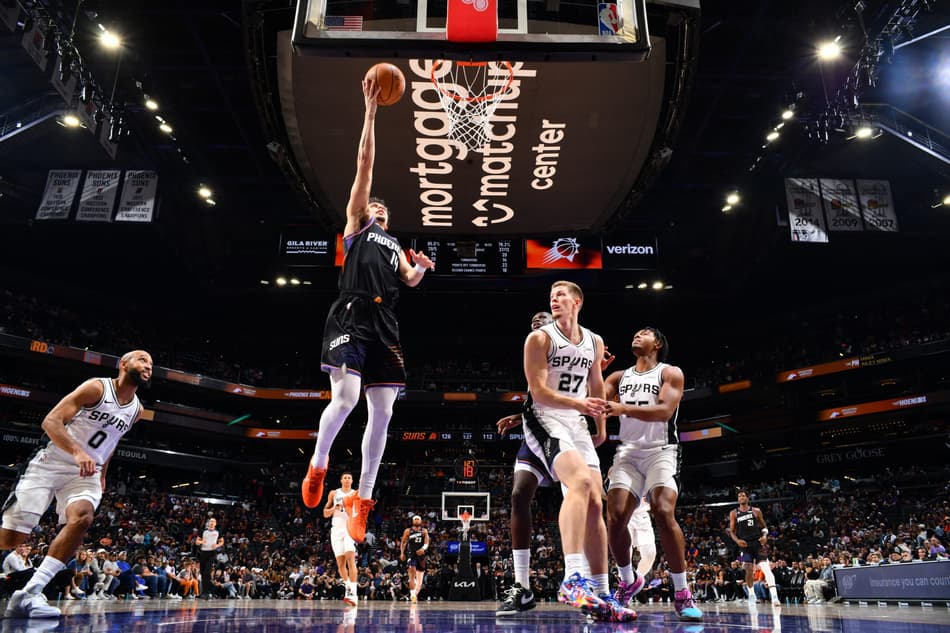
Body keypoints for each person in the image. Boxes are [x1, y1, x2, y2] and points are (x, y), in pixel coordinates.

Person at [301, 75, 435, 545]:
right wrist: (372, 111)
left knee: (383, 411)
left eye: (382, 207)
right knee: (347, 399)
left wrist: (419, 270)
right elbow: (365, 164)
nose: (376, 205)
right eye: (372, 203)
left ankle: (364, 498)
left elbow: (409, 279)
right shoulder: (358, 227)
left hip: (386, 322)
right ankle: (318, 466)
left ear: (389, 219)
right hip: (350, 315)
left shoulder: (394, 243)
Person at [1, 350, 151, 618]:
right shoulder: (97, 387)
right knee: (12, 539)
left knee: (83, 519)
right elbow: (51, 421)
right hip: (52, 461)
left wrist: (103, 472)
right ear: (123, 364)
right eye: (142, 359)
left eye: (151, 363)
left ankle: (28, 594)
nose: (148, 365)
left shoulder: (137, 410)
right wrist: (77, 452)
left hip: (87, 472)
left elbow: (112, 441)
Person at [521, 281, 634, 622]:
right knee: (581, 484)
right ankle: (572, 578)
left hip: (578, 420)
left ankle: (601, 593)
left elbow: (596, 383)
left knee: (596, 503)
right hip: (545, 417)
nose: (554, 299)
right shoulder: (539, 338)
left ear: (578, 301)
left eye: (561, 295)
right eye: (551, 296)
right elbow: (539, 392)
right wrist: (580, 405)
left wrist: (600, 426)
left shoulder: (594, 341)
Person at [603, 328, 702, 621]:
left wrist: (622, 407)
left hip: (662, 450)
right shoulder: (618, 377)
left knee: (662, 509)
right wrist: (597, 371)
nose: (635, 336)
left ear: (657, 343)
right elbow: (593, 403)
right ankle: (626, 580)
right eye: (633, 333)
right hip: (628, 452)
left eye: (643, 333)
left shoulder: (670, 372)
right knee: (616, 515)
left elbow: (663, 411)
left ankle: (682, 593)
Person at [727, 489, 781, 607]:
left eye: (743, 496)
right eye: (739, 496)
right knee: (748, 570)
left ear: (747, 498)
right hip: (744, 546)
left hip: (758, 543)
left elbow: (764, 527)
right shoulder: (734, 513)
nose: (741, 497)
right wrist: (737, 541)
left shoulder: (756, 511)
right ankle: (752, 595)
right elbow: (731, 531)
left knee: (766, 568)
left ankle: (774, 597)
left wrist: (765, 536)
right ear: (738, 499)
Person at [324, 471, 359, 605]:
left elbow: (360, 512)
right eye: (344, 477)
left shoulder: (356, 494)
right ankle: (348, 587)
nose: (347, 479)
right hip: (336, 530)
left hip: (349, 529)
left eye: (349, 477)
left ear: (352, 480)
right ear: (341, 480)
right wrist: (334, 508)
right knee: (340, 563)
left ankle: (353, 593)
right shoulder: (334, 493)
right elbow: (325, 513)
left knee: (350, 559)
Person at [399, 515, 430, 603]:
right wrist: (402, 553)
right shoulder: (408, 531)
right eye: (415, 519)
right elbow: (403, 542)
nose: (416, 520)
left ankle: (415, 593)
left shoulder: (424, 531)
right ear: (412, 521)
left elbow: (427, 542)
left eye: (418, 519)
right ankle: (412, 595)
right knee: (411, 575)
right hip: (411, 554)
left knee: (420, 580)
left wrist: (423, 549)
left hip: (421, 555)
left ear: (420, 521)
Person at [197, 516, 223, 599]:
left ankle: (207, 592)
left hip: (212, 553)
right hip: (203, 552)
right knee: (202, 573)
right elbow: (197, 542)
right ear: (208, 523)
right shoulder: (203, 531)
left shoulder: (218, 532)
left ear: (215, 524)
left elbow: (222, 541)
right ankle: (204, 592)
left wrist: (217, 545)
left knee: (207, 572)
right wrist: (201, 541)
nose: (211, 523)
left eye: (213, 521)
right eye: (210, 521)